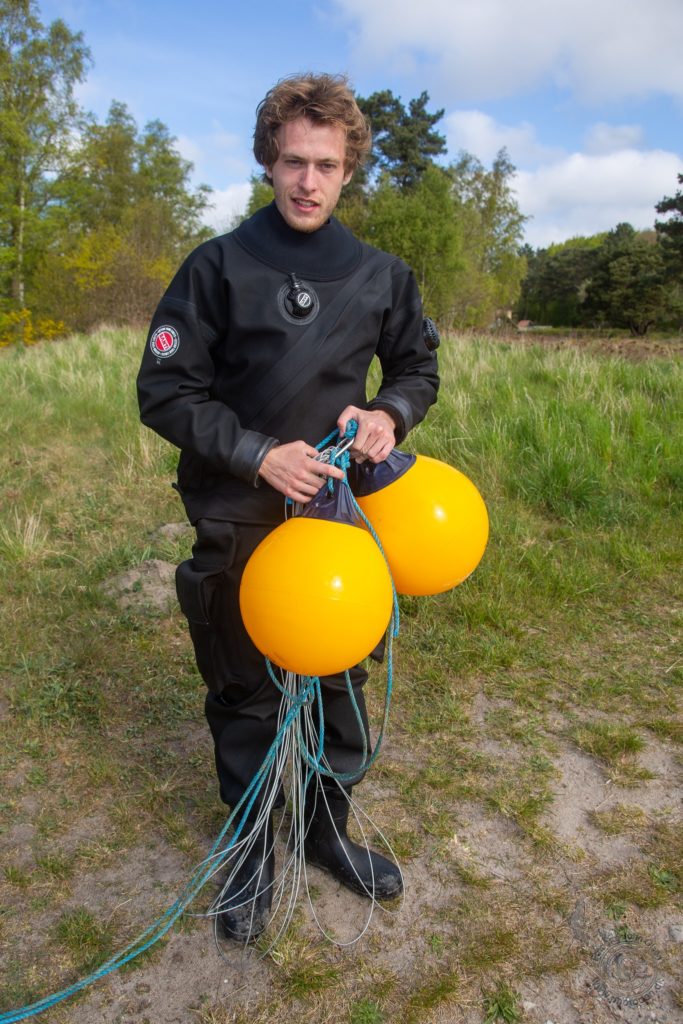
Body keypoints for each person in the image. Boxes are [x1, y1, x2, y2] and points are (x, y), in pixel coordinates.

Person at [137, 72, 439, 942]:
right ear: (268, 161)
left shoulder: (382, 276)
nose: (309, 180)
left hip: (337, 520)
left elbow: (417, 369)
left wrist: (388, 415)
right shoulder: (217, 267)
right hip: (237, 514)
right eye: (293, 161)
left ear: (349, 173)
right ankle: (246, 848)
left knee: (340, 679)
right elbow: (164, 391)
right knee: (243, 690)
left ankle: (322, 832)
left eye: (327, 165)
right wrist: (255, 452)